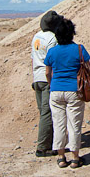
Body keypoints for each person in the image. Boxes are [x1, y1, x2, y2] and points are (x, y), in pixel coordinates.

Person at [44, 17, 90, 169]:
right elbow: (88, 69)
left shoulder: (52, 51)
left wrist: (52, 85)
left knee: (59, 125)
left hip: (56, 90)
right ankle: (75, 158)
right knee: (74, 125)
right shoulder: (79, 49)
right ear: (72, 33)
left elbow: (47, 72)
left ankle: (61, 157)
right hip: (74, 91)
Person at [31, 11, 61, 158]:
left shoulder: (37, 36)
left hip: (36, 77)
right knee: (47, 113)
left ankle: (50, 142)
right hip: (47, 78)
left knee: (43, 112)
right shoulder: (53, 39)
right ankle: (43, 147)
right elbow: (52, 61)